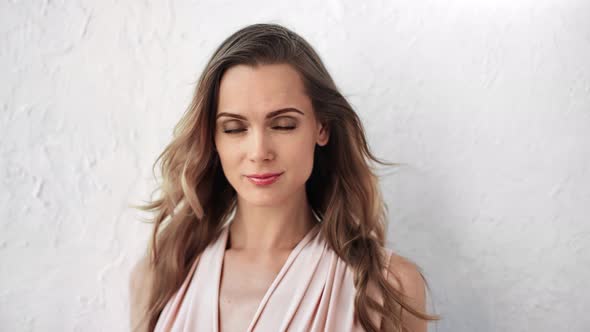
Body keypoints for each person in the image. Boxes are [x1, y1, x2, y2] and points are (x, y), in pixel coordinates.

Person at [129, 23, 440, 332]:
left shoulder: (389, 285)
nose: (259, 151)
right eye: (234, 129)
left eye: (283, 125)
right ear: (213, 139)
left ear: (322, 128)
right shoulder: (159, 279)